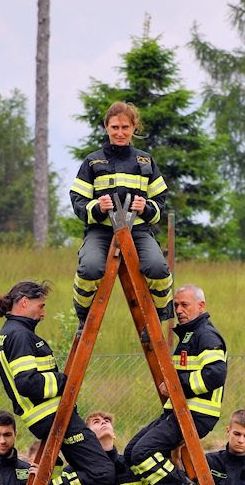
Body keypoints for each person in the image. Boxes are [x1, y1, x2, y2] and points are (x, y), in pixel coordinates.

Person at [0, 280, 116, 485]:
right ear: (24, 302)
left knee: (89, 469)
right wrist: (63, 382)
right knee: (102, 470)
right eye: (41, 305)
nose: (43, 312)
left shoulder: (13, 332)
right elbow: (28, 383)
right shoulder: (20, 335)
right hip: (53, 416)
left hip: (49, 417)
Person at [125, 284, 227, 485]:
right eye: (176, 305)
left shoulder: (206, 335)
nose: (179, 310)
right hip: (178, 412)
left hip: (195, 414)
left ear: (201, 306)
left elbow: (216, 375)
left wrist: (176, 385)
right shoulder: (189, 336)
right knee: (130, 453)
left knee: (142, 453)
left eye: (185, 305)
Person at [70, 101, 172, 325]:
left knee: (158, 268)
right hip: (100, 232)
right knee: (89, 269)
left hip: (138, 231)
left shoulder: (146, 161)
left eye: (125, 127)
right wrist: (97, 208)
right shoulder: (92, 161)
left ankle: (157, 320)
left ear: (134, 127)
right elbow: (77, 201)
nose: (120, 132)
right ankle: (82, 319)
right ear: (106, 127)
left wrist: (145, 208)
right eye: (115, 127)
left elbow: (161, 202)